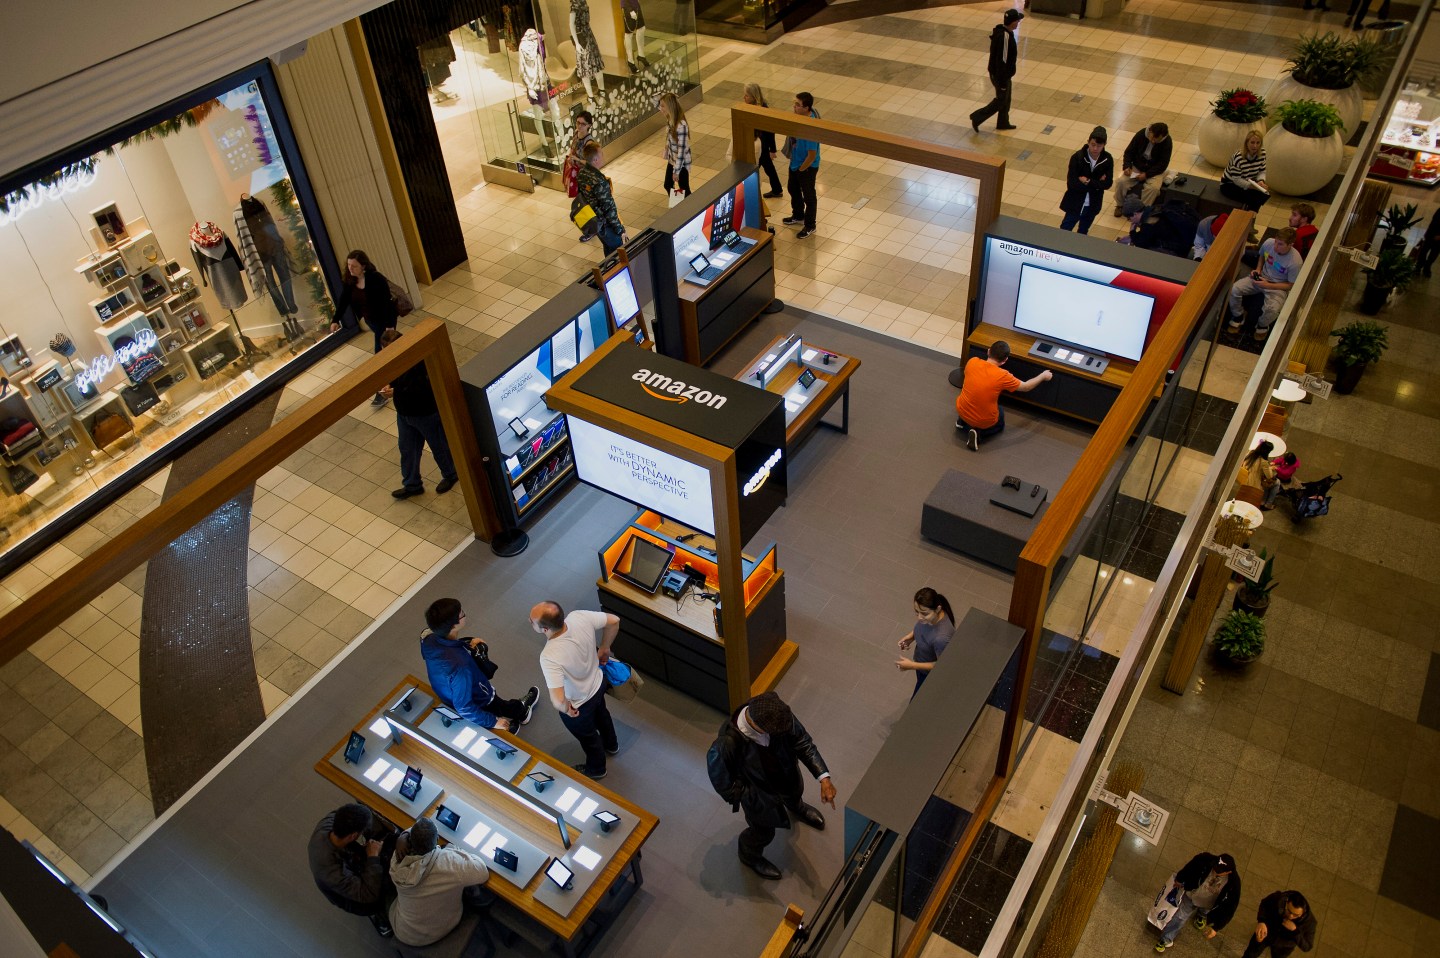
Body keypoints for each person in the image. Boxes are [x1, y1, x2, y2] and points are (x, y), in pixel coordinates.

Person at [706, 691, 837, 880]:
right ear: (758, 726)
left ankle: (796, 807)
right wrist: (747, 795)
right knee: (763, 832)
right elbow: (721, 780)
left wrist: (824, 778)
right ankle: (749, 855)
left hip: (786, 775)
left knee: (794, 793)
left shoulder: (777, 713)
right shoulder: (726, 743)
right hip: (759, 795)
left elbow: (802, 741)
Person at [531, 601, 620, 779]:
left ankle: (597, 769)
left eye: (531, 621)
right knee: (602, 714)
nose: (529, 622)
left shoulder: (549, 656)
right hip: (598, 684)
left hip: (580, 704)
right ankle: (612, 744)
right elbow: (614, 620)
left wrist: (566, 709)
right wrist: (604, 647)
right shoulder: (579, 616)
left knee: (588, 737)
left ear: (545, 629)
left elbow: (557, 700)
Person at [421, 598, 538, 733]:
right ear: (454, 625)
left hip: (445, 693)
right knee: (497, 706)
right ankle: (521, 712)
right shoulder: (460, 668)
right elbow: (464, 707)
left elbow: (445, 652)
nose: (464, 613)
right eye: (462, 613)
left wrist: (466, 644)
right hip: (479, 696)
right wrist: (494, 722)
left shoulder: (428, 639)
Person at [388, 817, 492, 948]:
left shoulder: (397, 858)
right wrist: (452, 848)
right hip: (437, 931)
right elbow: (482, 871)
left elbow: (416, 834)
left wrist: (403, 834)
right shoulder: (448, 862)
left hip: (404, 930)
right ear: (437, 840)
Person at [378, 330, 458, 500]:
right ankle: (412, 484)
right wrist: (389, 384)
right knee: (407, 449)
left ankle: (451, 474)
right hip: (404, 413)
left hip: (425, 412)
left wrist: (396, 391)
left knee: (439, 446)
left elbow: (424, 387)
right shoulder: (391, 360)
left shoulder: (419, 360)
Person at [308, 803, 394, 937]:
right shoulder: (329, 868)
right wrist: (373, 857)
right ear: (353, 836)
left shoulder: (333, 821)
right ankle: (382, 920)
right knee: (381, 892)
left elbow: (360, 815)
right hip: (354, 899)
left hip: (348, 859)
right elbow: (368, 894)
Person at [955, 340, 1052, 451]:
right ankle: (978, 433)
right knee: (1000, 414)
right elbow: (1026, 387)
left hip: (961, 408)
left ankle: (962, 421)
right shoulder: (1003, 376)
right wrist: (1043, 376)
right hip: (982, 420)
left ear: (988, 351)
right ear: (1005, 360)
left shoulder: (972, 361)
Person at [331, 249, 399, 407]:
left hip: (385, 321)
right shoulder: (350, 282)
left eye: (354, 266)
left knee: (379, 355)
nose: (350, 269)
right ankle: (392, 381)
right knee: (388, 352)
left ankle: (383, 391)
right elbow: (343, 301)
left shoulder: (376, 279)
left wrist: (389, 327)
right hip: (373, 322)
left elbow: (387, 304)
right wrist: (335, 320)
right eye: (348, 265)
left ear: (363, 266)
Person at [1152, 851, 1242, 952]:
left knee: (1204, 911)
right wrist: (1180, 878)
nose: (1215, 871)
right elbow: (1190, 867)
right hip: (1192, 896)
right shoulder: (1205, 859)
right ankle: (1166, 939)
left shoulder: (1234, 884)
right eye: (1215, 867)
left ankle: (1201, 915)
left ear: (1228, 872)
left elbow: (1231, 908)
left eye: (1219, 871)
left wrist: (1217, 927)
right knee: (1180, 917)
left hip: (1210, 904)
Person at [1226, 227, 1301, 342]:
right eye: (1276, 241)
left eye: (1280, 244)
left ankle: (1262, 325)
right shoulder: (1268, 243)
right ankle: (1238, 316)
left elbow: (1290, 285)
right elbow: (1262, 256)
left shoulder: (1295, 262)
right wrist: (1258, 269)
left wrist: (1268, 285)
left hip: (1278, 286)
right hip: (1261, 277)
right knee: (1234, 289)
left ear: (1290, 244)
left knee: (1272, 309)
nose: (1275, 246)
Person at [969, 9, 1023, 132]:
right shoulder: (1004, 36)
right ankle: (977, 117)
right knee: (1001, 100)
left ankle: (1003, 122)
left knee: (1006, 99)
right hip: (1000, 75)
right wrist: (1003, 82)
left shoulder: (1005, 33)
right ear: (1012, 22)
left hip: (1002, 74)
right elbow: (1002, 61)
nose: (1018, 22)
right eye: (1017, 20)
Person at [895, 587, 955, 696]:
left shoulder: (941, 638)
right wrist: (911, 637)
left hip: (928, 675)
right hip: (921, 665)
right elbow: (923, 627)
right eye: (916, 612)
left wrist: (912, 665)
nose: (919, 617)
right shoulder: (930, 618)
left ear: (937, 609)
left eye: (924, 613)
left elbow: (942, 665)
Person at [1059, 127, 1114, 234]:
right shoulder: (1077, 157)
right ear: (1088, 142)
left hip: (1093, 204)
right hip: (1076, 202)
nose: (1095, 149)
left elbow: (1108, 184)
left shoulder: (1107, 159)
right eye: (1093, 144)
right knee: (1066, 228)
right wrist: (1097, 184)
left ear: (1104, 145)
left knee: (1083, 231)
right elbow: (1072, 183)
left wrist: (1087, 181)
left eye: (1099, 146)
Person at [577, 142, 627, 255]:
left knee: (608, 250)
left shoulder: (582, 173)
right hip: (606, 224)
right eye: (601, 155)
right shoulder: (599, 181)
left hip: (595, 223)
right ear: (595, 160)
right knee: (618, 254)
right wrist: (620, 229)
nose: (603, 156)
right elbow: (609, 208)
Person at [1112, 123, 1173, 214]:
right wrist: (1127, 166)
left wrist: (1147, 175)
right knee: (1121, 181)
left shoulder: (1167, 142)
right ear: (1150, 131)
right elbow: (1129, 152)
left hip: (1154, 170)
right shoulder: (1141, 134)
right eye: (1151, 138)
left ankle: (1141, 211)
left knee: (1154, 188)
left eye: (1156, 140)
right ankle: (1120, 205)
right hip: (1138, 165)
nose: (1152, 141)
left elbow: (1162, 164)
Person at [783, 92, 820, 239]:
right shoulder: (797, 118)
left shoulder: (810, 128)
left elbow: (811, 155)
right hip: (796, 163)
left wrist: (801, 169)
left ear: (806, 108)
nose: (794, 107)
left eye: (798, 105)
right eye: (794, 103)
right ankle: (798, 215)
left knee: (809, 196)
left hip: (807, 167)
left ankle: (810, 225)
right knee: (792, 188)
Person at [1242, 890, 1316, 957]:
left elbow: (1307, 946)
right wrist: (1262, 921)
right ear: (1286, 902)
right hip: (1265, 933)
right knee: (1250, 955)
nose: (1291, 916)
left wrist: (1295, 931)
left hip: (1283, 947)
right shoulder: (1277, 898)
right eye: (1289, 911)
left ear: (1303, 912)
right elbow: (1264, 904)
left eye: (1296, 915)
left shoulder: (1309, 923)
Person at [743, 83, 784, 198]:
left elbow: (770, 131)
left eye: (746, 95)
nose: (744, 98)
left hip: (762, 145)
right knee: (768, 167)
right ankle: (777, 189)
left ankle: (749, 191)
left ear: (753, 96)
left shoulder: (763, 109)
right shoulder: (751, 106)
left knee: (752, 169)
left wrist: (773, 149)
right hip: (759, 144)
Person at [563, 111, 596, 243]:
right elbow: (573, 148)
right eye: (578, 123)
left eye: (583, 124)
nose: (580, 126)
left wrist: (576, 159)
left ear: (589, 126)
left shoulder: (589, 142)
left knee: (585, 204)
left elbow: (591, 163)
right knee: (582, 202)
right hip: (577, 175)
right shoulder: (576, 135)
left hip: (586, 177)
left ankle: (590, 230)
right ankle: (591, 227)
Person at [1220, 131, 1269, 211]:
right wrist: (1253, 187)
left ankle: (1249, 214)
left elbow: (1262, 171)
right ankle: (1249, 215)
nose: (1255, 146)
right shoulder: (1238, 157)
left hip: (1248, 181)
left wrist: (1261, 181)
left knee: (1261, 194)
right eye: (1252, 142)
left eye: (1258, 143)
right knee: (1256, 197)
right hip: (1229, 184)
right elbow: (1236, 180)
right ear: (1247, 143)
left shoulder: (1262, 153)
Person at [659, 93, 691, 198]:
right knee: (668, 184)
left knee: (684, 188)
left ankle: (690, 208)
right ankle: (678, 205)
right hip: (672, 159)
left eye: (663, 106)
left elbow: (681, 151)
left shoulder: (681, 125)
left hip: (681, 163)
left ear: (670, 106)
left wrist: (676, 171)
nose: (661, 108)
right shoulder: (670, 119)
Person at [1416, 205, 1440, 278]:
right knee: (1424, 250)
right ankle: (1419, 265)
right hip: (1431, 233)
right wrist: (1427, 231)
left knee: (1434, 254)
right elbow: (1434, 221)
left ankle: (1427, 267)